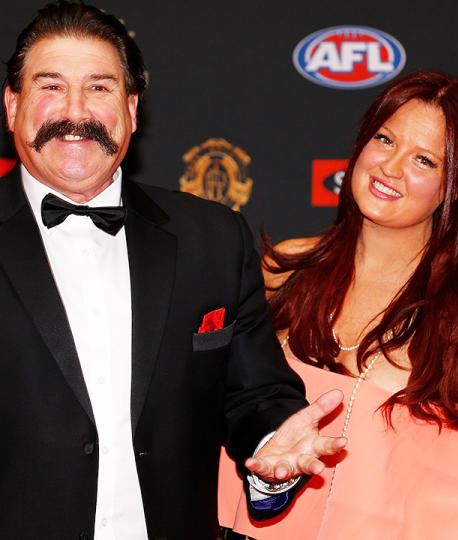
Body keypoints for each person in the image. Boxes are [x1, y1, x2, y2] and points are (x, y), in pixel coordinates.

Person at [0, 3, 348, 538]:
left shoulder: (211, 237)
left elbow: (254, 397)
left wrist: (272, 451)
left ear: (132, 109)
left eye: (99, 87)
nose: (75, 111)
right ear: (12, 105)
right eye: (50, 86)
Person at [218, 71, 458, 539]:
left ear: (455, 186)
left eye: (423, 159)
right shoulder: (285, 270)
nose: (390, 167)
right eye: (384, 139)